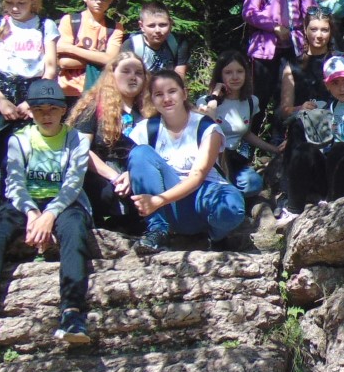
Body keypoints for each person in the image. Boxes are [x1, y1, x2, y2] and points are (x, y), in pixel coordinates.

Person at [0, 79, 93, 355]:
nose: (46, 115)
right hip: (25, 202)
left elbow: (73, 184)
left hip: (65, 202)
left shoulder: (76, 139)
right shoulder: (19, 139)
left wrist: (49, 215)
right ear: (31, 112)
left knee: (74, 230)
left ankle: (72, 313)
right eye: (39, 110)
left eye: (53, 109)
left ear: (63, 110)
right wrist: (31, 212)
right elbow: (14, 183)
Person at [127, 70, 247, 254]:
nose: (167, 99)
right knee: (140, 153)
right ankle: (157, 231)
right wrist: (127, 174)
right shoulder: (145, 129)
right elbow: (139, 164)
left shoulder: (207, 128)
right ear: (152, 99)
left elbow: (197, 177)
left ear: (184, 94)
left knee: (231, 208)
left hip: (202, 196)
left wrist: (158, 200)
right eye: (159, 94)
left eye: (172, 91)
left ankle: (215, 236)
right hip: (167, 205)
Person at [279, 54, 344, 219]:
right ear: (327, 85)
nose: (342, 88)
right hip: (333, 172)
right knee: (304, 150)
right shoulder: (330, 108)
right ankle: (293, 209)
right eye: (335, 83)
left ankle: (335, 208)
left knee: (342, 149)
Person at [0, 0, 59, 172]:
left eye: (21, 3)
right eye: (10, 3)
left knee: (23, 154)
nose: (15, 8)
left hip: (32, 91)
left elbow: (50, 68)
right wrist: (0, 100)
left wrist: (33, 101)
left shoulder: (44, 25)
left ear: (33, 0)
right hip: (0, 90)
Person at [67, 50, 148, 234]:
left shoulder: (149, 110)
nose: (133, 77)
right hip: (101, 174)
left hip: (135, 173)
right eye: (126, 71)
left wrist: (132, 175)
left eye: (138, 73)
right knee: (105, 192)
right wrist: (114, 177)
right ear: (112, 74)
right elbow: (81, 149)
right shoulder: (93, 107)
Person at [244, 0, 317, 111]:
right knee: (259, 98)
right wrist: (274, 27)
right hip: (264, 52)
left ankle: (284, 128)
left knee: (289, 99)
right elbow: (249, 12)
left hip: (293, 51)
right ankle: (252, 128)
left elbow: (313, 13)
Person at [198, 50, 275, 200]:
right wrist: (214, 97)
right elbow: (206, 132)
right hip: (211, 160)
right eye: (228, 72)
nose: (235, 77)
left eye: (240, 71)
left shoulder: (251, 101)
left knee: (253, 183)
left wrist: (274, 149)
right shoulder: (205, 102)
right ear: (220, 75)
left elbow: (246, 133)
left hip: (232, 159)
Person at [56, 0, 125, 106]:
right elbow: (64, 62)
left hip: (100, 92)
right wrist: (99, 58)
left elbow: (110, 59)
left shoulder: (115, 28)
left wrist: (71, 49)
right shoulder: (70, 21)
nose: (99, 0)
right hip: (69, 91)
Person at [126, 2, 190, 79]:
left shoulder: (178, 42)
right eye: (151, 26)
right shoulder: (131, 45)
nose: (157, 30)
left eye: (163, 25)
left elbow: (179, 78)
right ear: (141, 26)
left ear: (170, 23)